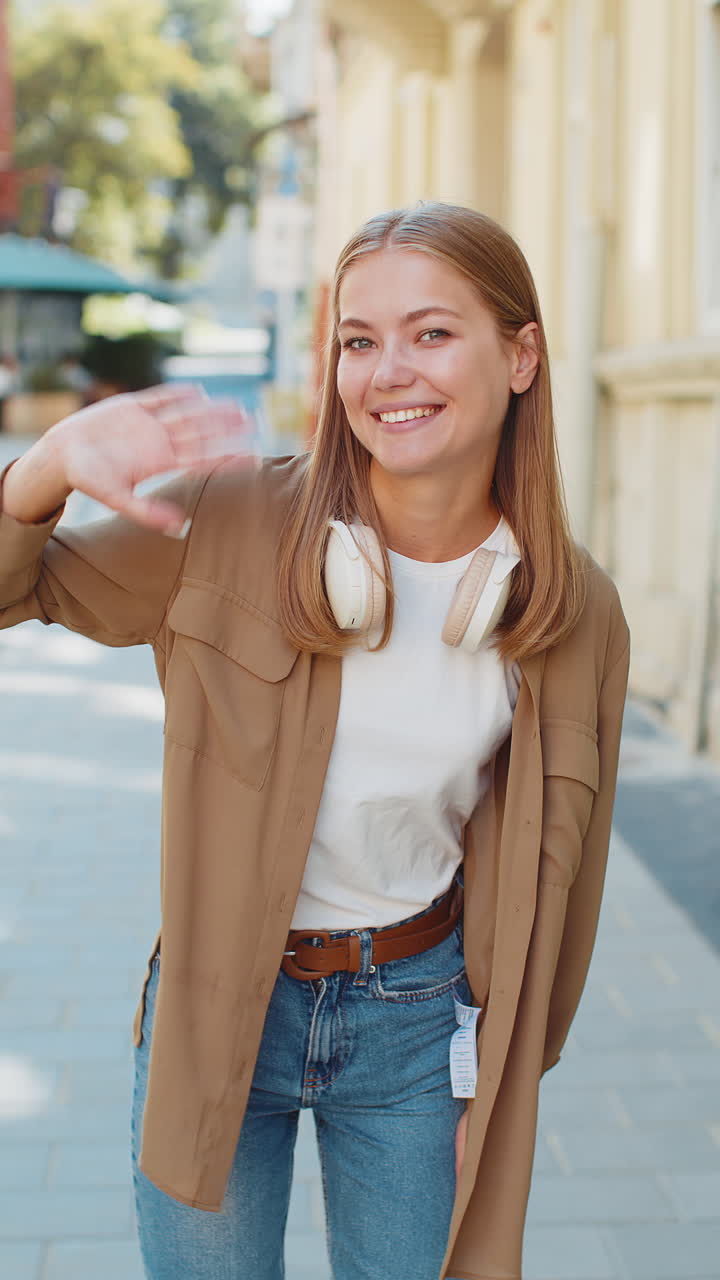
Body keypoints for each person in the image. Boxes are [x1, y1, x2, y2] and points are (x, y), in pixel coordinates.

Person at [0, 202, 629, 1280]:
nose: (391, 371)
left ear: (521, 355)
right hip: (218, 1009)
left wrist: (508, 1086)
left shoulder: (574, 614)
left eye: (432, 333)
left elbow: (566, 896)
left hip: (418, 1027)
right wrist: (45, 469)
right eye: (359, 338)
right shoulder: (233, 522)